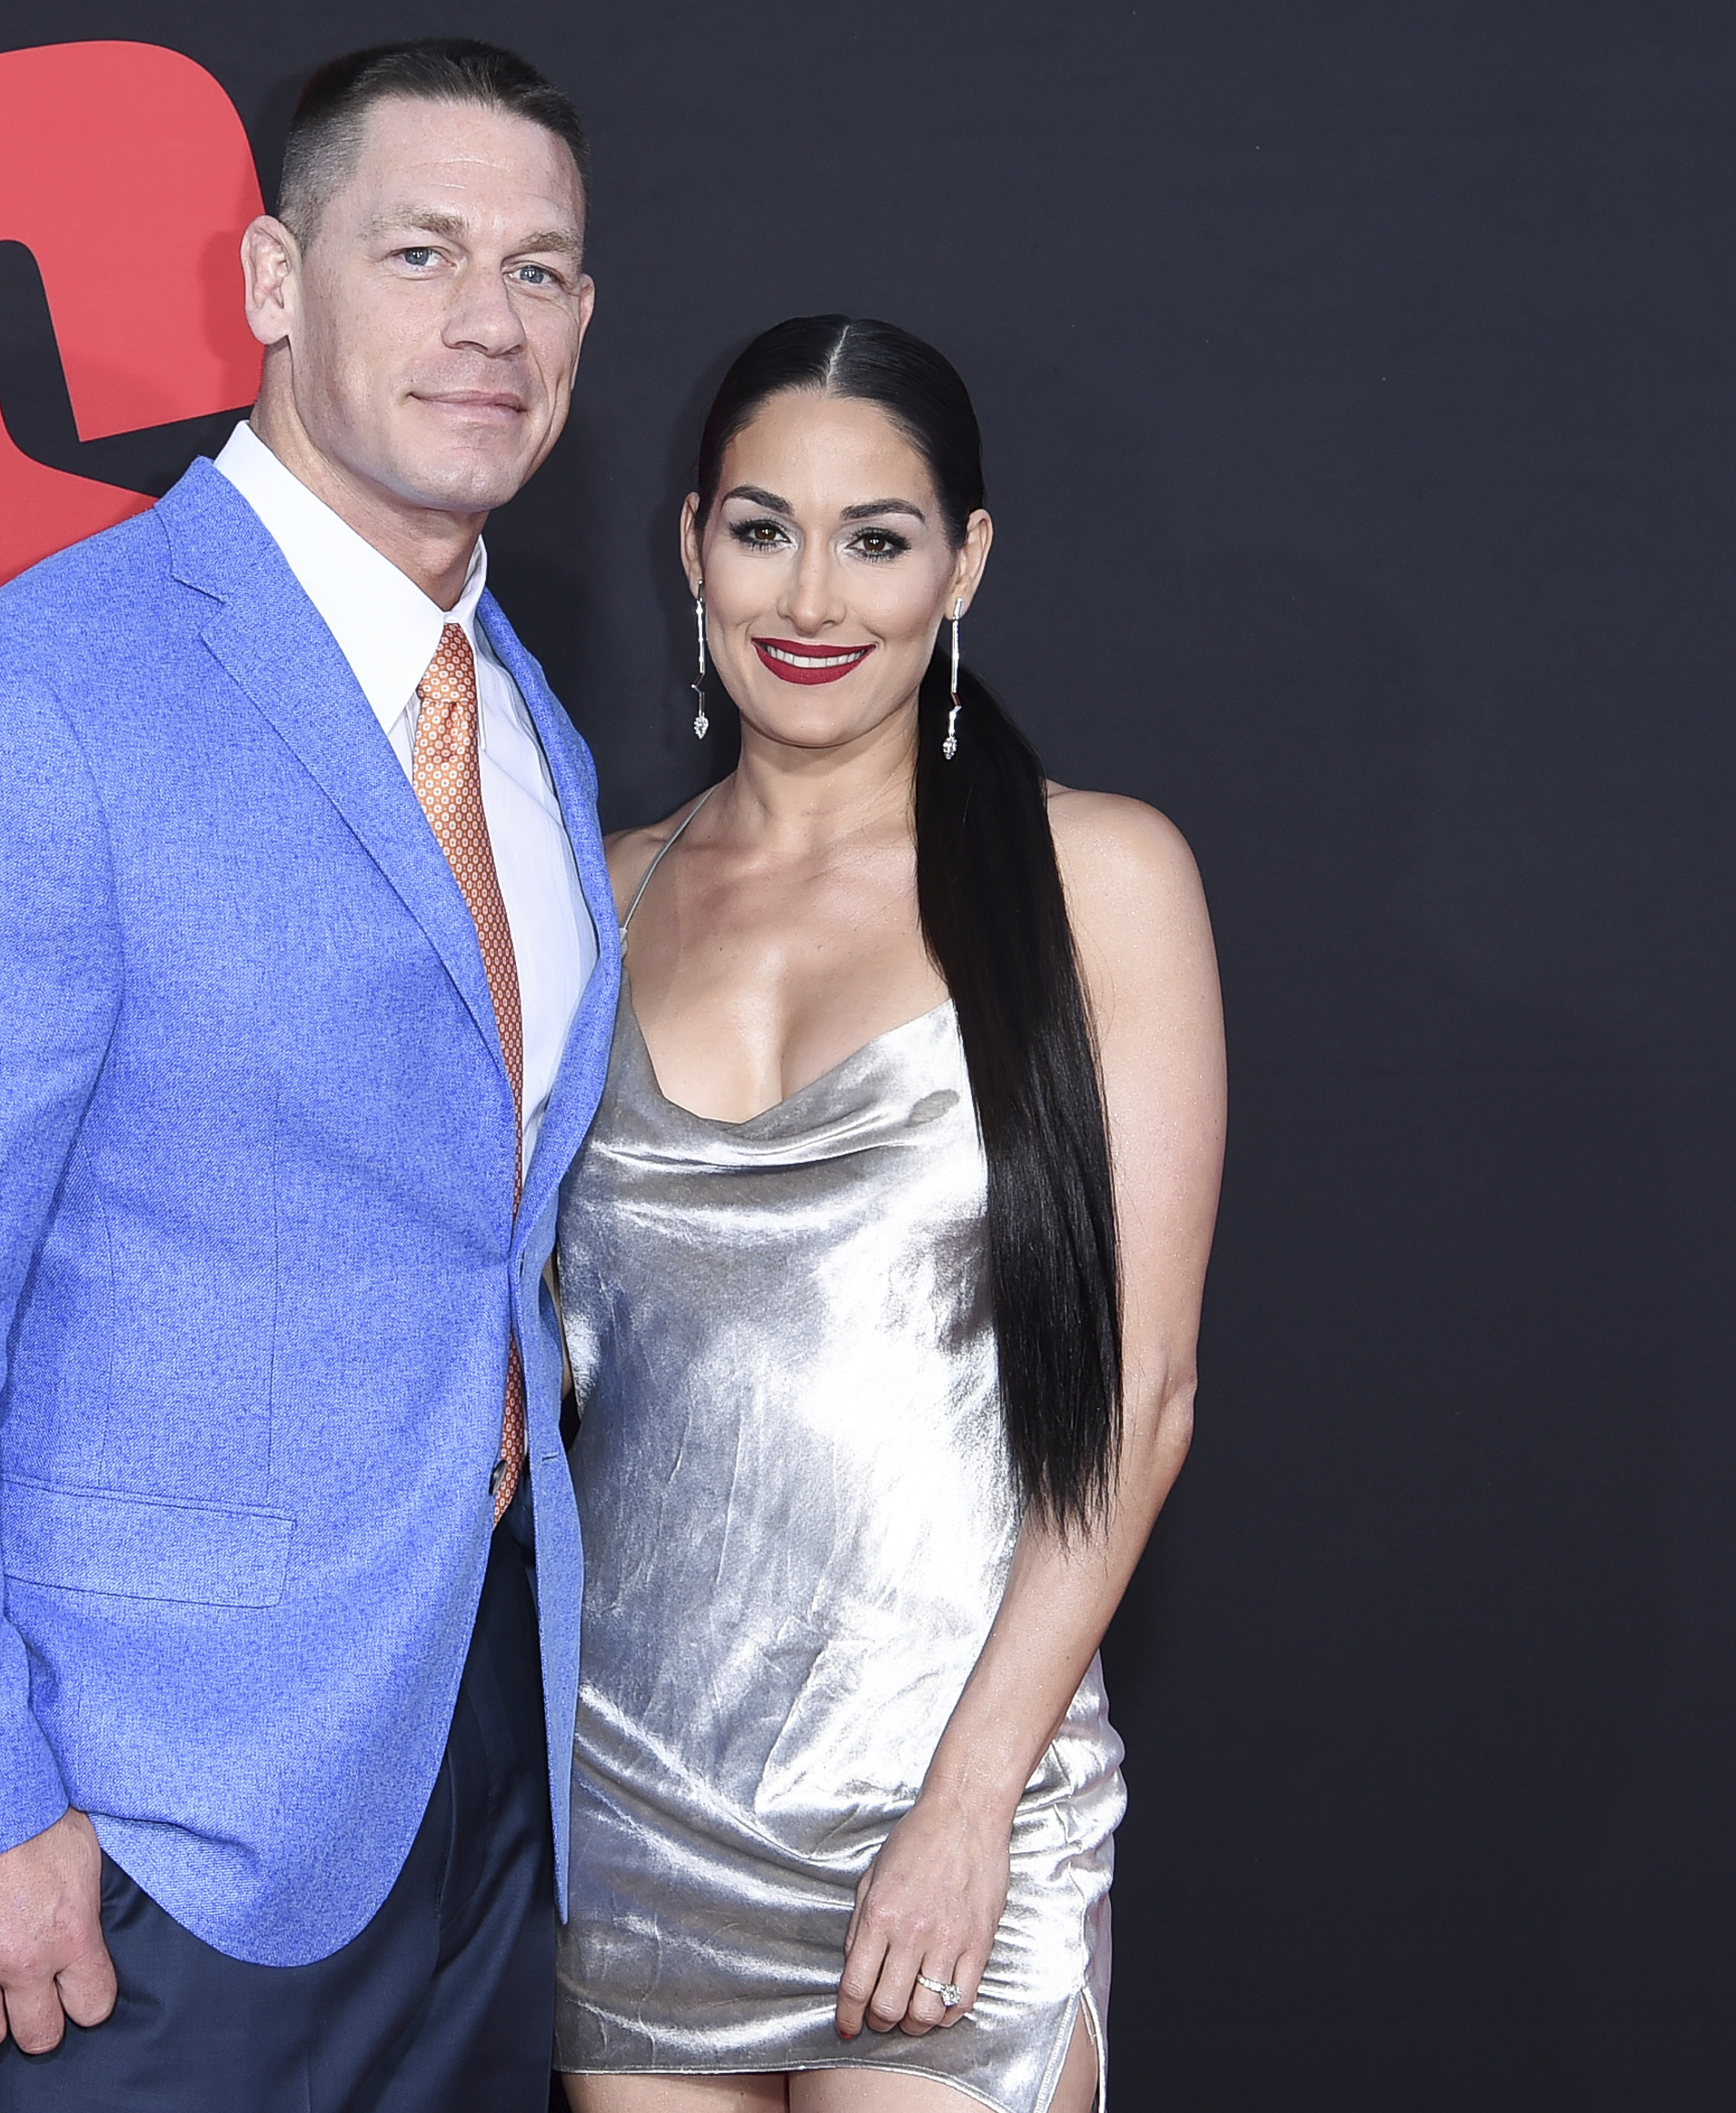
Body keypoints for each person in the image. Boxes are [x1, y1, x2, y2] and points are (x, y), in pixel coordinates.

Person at [0, 39, 612, 2110]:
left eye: (544, 271)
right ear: (272, 282)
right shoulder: (26, 703)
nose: (491, 318)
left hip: (491, 1762)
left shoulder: (529, 721)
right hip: (153, 1820)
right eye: (423, 250)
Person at [551, 317, 1225, 2113]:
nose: (813, 593)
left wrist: (968, 1797)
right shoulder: (584, 900)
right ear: (689, 541)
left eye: (879, 534)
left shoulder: (1097, 874)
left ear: (965, 559)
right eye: (764, 527)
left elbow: (1140, 1398)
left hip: (950, 1795)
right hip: (632, 1801)